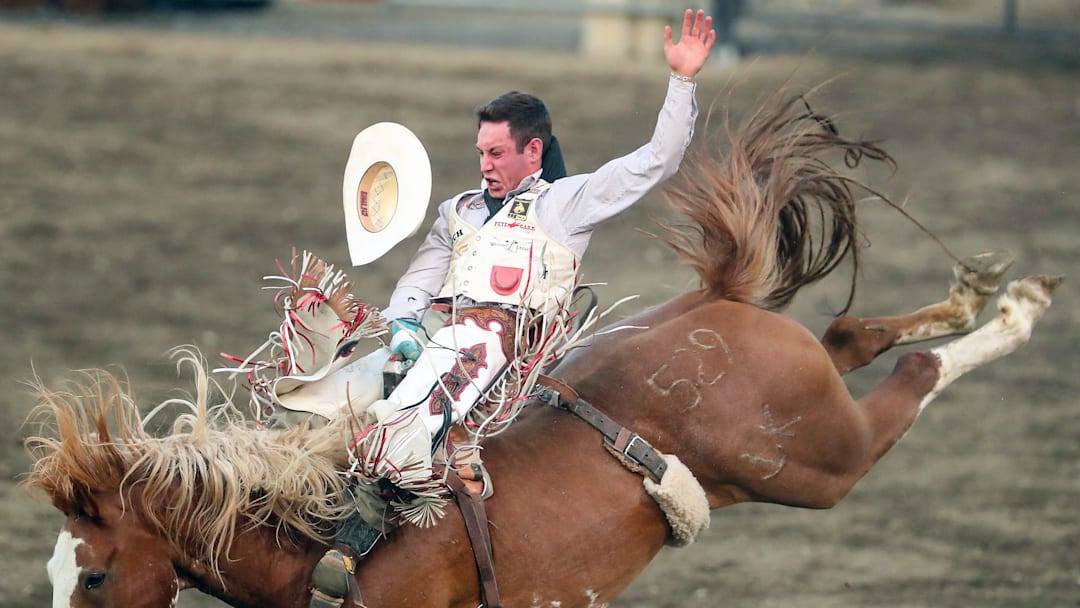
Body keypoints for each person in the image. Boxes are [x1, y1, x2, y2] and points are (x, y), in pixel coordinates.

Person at [364, 8, 717, 501]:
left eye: (497, 154)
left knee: (401, 433)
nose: (485, 165)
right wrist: (401, 324)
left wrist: (682, 80)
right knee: (346, 402)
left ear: (533, 151)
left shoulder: (564, 204)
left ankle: (387, 502)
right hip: (445, 345)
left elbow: (657, 160)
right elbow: (421, 278)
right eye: (481, 153)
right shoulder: (457, 210)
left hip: (510, 358)